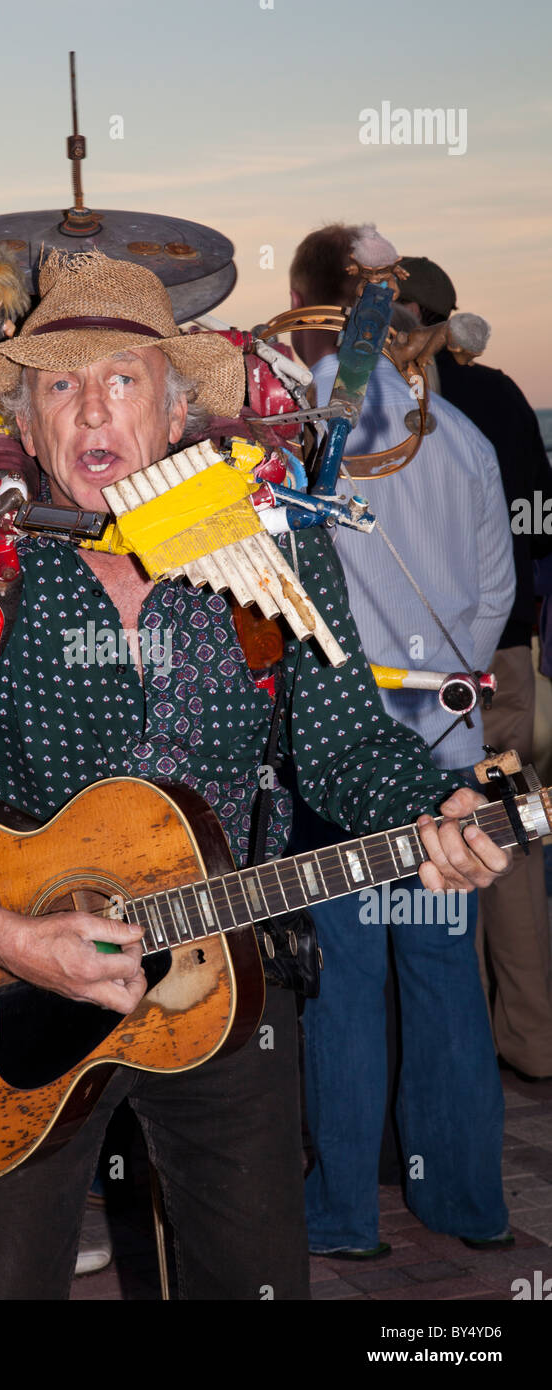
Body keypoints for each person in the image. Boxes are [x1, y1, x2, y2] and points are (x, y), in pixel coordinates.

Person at [0, 250, 510, 1300]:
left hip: (225, 986)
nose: (93, 410)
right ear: (29, 423)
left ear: (176, 410)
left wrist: (433, 810)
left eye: (123, 380)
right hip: (1, 1001)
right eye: (61, 384)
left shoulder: (269, 556)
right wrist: (4, 933)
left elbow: (344, 745)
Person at [289, 224, 516, 1258]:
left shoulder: (311, 427)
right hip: (447, 735)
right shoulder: (461, 437)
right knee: (442, 972)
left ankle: (341, 1211)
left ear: (306, 311)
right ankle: (464, 1201)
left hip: (342, 739)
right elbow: (494, 599)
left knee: (342, 983)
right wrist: (443, 703)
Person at [397, 255, 552, 1082]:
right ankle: (530, 1036)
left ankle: (450, 1064)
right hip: (510, 651)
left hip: (434, 669)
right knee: (514, 838)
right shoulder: (506, 398)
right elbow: (538, 518)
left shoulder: (417, 404)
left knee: (438, 844)